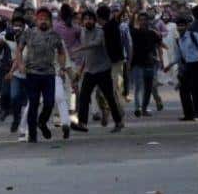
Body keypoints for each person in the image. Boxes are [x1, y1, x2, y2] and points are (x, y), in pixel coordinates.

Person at [15, 9, 67, 141]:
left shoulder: (55, 35)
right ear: (36, 20)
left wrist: (62, 68)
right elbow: (19, 50)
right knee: (33, 104)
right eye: (40, 18)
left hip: (49, 74)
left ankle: (42, 122)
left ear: (50, 21)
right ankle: (32, 135)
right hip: (32, 74)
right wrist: (20, 64)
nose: (43, 21)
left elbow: (61, 52)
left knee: (49, 103)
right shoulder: (29, 33)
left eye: (46, 19)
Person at [71, 11, 124, 133]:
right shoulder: (83, 32)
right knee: (84, 97)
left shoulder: (100, 31)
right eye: (85, 19)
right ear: (82, 21)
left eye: (90, 19)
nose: (88, 21)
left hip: (103, 70)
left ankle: (118, 122)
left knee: (109, 97)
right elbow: (86, 55)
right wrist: (80, 71)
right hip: (90, 71)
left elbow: (96, 44)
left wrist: (80, 48)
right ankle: (82, 123)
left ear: (95, 21)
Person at [164, 16, 198, 121]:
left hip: (197, 65)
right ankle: (188, 114)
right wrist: (170, 65)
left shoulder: (194, 35)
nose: (180, 27)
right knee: (183, 91)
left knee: (195, 91)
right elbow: (178, 56)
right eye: (179, 26)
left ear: (187, 26)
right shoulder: (179, 40)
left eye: (182, 25)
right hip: (187, 66)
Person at [129, 12, 165, 117]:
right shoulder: (134, 32)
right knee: (138, 87)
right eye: (141, 20)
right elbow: (130, 25)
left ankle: (144, 108)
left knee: (149, 88)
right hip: (137, 63)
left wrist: (161, 60)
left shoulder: (153, 33)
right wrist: (133, 12)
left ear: (148, 21)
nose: (143, 22)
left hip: (150, 63)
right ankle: (137, 108)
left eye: (145, 20)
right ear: (138, 21)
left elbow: (159, 46)